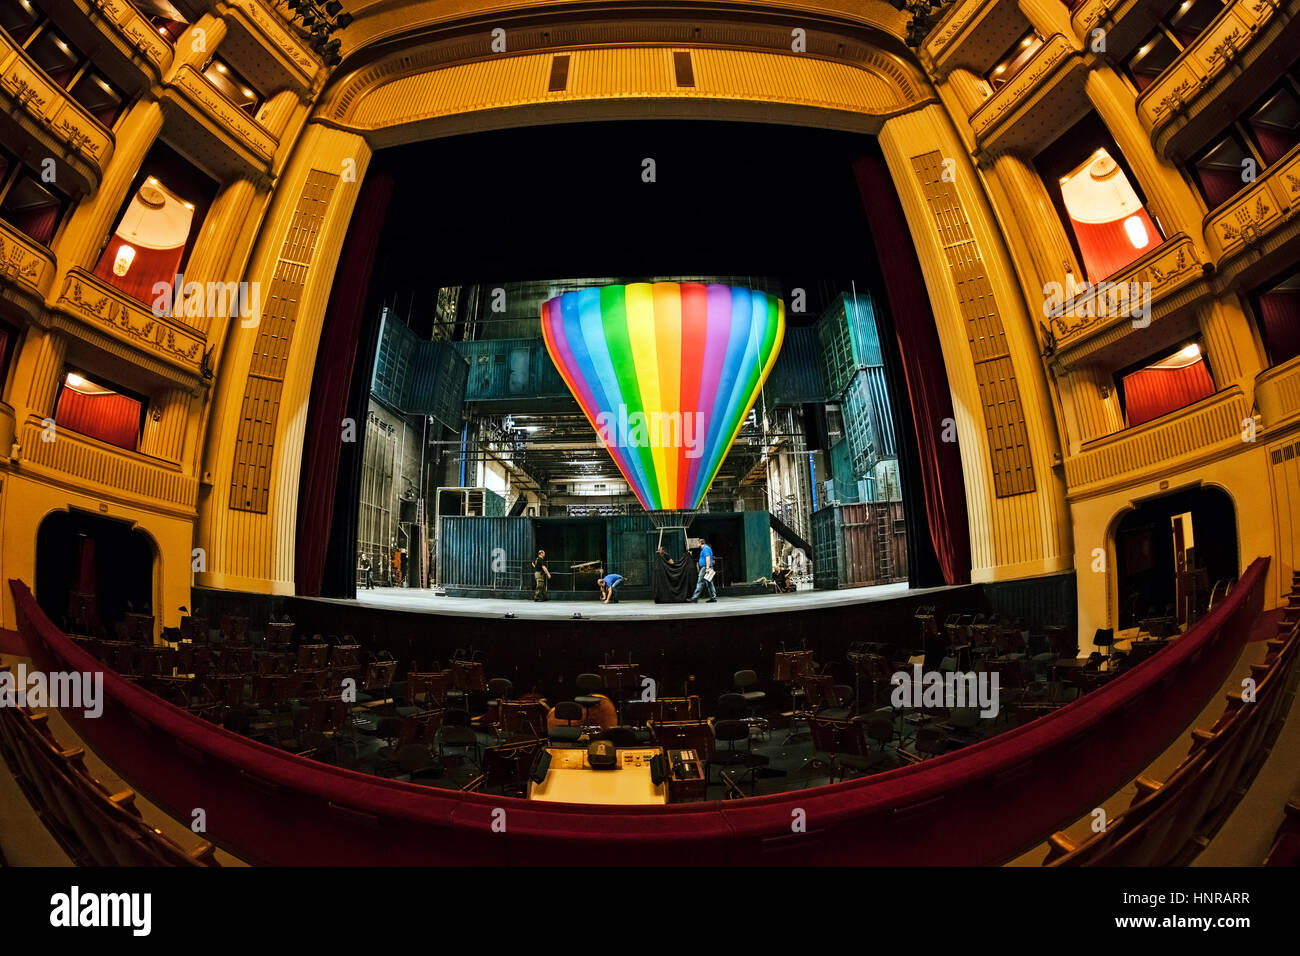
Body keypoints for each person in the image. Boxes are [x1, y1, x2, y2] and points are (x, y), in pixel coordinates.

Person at [690, 537, 717, 603]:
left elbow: (707, 557)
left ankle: (695, 597)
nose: (697, 544)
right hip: (708, 567)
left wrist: (707, 568)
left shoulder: (705, 548)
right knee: (710, 583)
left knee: (700, 582)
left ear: (700, 543)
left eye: (698, 543)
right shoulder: (707, 548)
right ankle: (713, 597)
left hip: (705, 567)